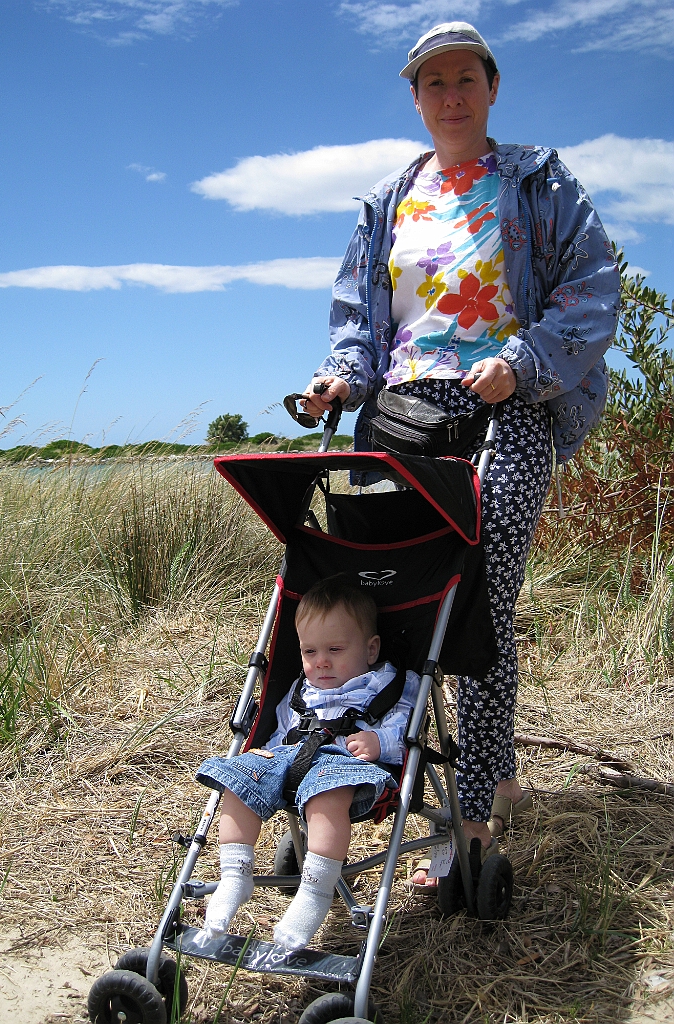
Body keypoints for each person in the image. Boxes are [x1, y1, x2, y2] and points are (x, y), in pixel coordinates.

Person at [301, 22, 620, 883]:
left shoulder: (538, 179)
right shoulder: (388, 199)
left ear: (492, 87)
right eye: (433, 82)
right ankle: (370, 774)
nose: (451, 95)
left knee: (479, 607)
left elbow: (592, 288)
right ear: (415, 98)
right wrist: (340, 379)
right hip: (397, 418)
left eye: (465, 79)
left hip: (505, 407)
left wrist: (524, 363)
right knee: (395, 602)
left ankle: (469, 820)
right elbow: (357, 319)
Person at [195, 575, 420, 950]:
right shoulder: (301, 689)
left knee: (326, 793)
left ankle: (316, 892)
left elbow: (407, 727)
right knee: (239, 779)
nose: (322, 662)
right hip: (290, 754)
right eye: (310, 652)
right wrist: (261, 761)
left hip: (344, 762)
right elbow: (281, 730)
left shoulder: (385, 683)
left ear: (371, 649)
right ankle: (235, 875)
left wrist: (379, 741)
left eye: (335, 649)